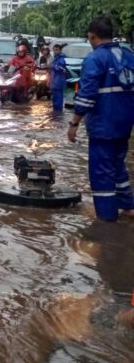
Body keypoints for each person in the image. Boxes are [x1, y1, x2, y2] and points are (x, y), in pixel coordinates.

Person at [68, 16, 134, 221]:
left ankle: (107, 220)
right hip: (125, 122)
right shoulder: (128, 55)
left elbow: (87, 95)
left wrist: (74, 123)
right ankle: (128, 206)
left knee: (101, 171)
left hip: (104, 124)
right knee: (116, 163)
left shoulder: (95, 58)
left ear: (92, 35)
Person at [50, 43, 68, 111]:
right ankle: (56, 116)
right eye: (54, 50)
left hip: (59, 83)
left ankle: (58, 115)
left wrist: (53, 66)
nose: (55, 51)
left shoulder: (62, 59)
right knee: (55, 101)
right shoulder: (56, 58)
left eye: (56, 50)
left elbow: (60, 68)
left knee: (58, 101)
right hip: (55, 82)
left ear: (60, 50)